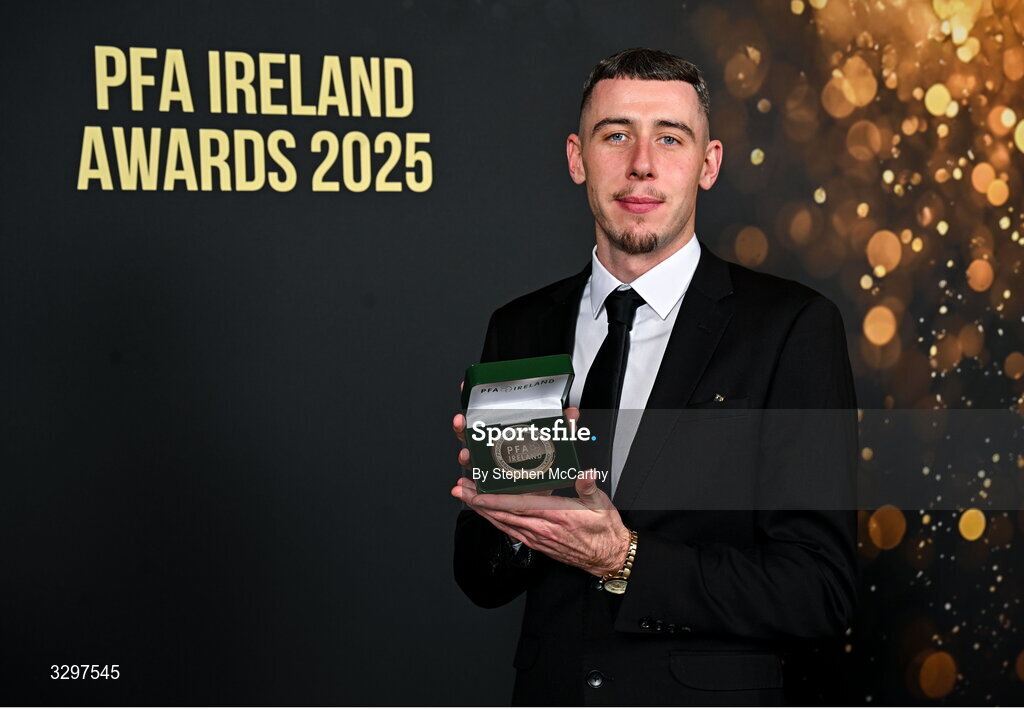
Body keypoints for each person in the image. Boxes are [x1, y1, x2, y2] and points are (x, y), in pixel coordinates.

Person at [451, 48, 858, 706]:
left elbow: (818, 588)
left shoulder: (790, 328)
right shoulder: (522, 327)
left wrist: (624, 557)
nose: (641, 163)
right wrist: (510, 516)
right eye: (616, 134)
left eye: (670, 137)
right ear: (577, 157)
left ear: (709, 163)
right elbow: (480, 575)